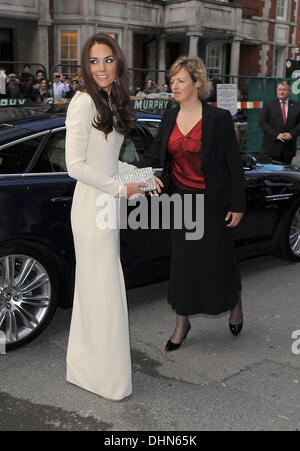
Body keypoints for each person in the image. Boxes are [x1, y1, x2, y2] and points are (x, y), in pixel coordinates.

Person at [65, 33, 160, 400]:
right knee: (102, 293)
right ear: (85, 67)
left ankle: (89, 371)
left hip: (105, 204)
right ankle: (101, 378)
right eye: (94, 61)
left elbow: (107, 161)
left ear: (118, 62)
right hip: (91, 206)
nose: (101, 68)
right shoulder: (83, 102)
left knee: (98, 293)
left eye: (107, 60)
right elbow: (75, 166)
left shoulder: (109, 99)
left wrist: (140, 176)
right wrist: (123, 188)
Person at [137, 56, 246, 351]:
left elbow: (235, 166)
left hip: (213, 203)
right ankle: (181, 323)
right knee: (183, 266)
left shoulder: (219, 119)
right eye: (172, 81)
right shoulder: (169, 116)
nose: (174, 85)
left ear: (197, 83)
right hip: (181, 201)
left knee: (217, 262)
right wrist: (130, 172)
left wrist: (237, 205)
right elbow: (155, 154)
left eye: (180, 80)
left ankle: (235, 303)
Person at [259, 81, 300, 165]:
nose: (281, 92)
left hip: (288, 149)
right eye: (279, 89)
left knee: (285, 176)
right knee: (270, 175)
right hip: (271, 148)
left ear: (289, 91)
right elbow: (263, 122)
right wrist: (276, 135)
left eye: (284, 90)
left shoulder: (297, 106)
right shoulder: (268, 104)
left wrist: (291, 134)